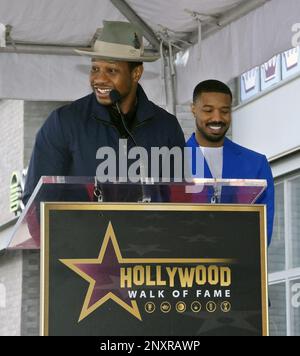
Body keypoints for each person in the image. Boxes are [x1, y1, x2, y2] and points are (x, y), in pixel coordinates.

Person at [23, 21, 186, 204]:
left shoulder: (166, 126)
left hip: (146, 231)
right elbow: (37, 201)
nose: (99, 79)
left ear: (136, 73)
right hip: (82, 233)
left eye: (111, 70)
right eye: (95, 69)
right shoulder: (64, 122)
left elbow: (177, 198)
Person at [186, 79, 274, 245]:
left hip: (239, 266)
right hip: (184, 267)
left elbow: (263, 229)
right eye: (208, 110)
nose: (217, 118)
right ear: (193, 110)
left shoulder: (256, 164)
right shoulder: (172, 162)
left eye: (224, 111)